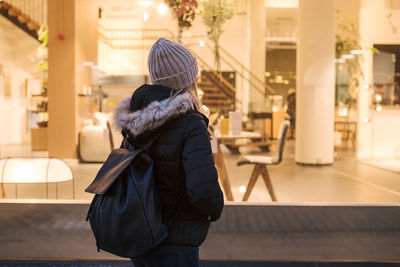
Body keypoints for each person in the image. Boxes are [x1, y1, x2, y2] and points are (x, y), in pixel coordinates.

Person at [113, 38, 224, 267]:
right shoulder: (192, 123)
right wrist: (215, 209)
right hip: (178, 238)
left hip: (140, 232)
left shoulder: (135, 121)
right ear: (186, 79)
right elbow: (203, 190)